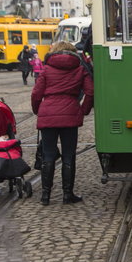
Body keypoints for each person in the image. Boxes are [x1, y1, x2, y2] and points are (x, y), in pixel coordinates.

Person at [31, 41, 93, 205]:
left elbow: (36, 94)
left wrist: (39, 111)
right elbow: (90, 92)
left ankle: (45, 196)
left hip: (48, 113)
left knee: (48, 155)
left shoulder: (46, 69)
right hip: (70, 114)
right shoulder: (79, 69)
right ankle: (67, 195)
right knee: (69, 155)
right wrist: (83, 110)